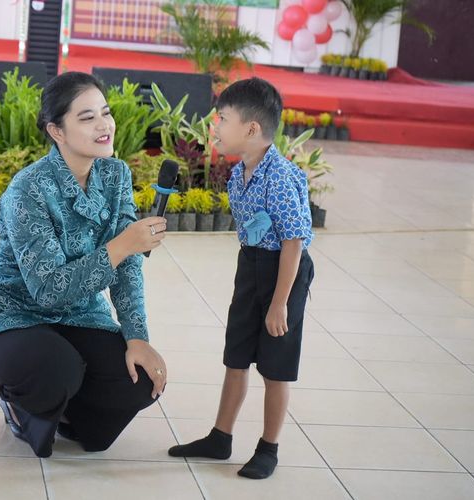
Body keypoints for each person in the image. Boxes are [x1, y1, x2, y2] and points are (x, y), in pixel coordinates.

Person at [0, 72, 168, 458]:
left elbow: (128, 267)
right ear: (57, 131)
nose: (104, 125)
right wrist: (120, 246)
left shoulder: (115, 174)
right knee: (57, 368)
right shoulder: (28, 188)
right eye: (87, 118)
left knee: (139, 380)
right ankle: (19, 404)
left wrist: (137, 336)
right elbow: (48, 290)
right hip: (8, 317)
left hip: (80, 317)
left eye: (105, 113)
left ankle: (64, 411)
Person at [168, 77, 314, 480]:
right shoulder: (239, 173)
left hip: (284, 272)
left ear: (251, 129)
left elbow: (293, 243)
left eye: (223, 118)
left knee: (275, 365)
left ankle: (269, 447)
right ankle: (220, 437)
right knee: (236, 355)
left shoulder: (279, 176)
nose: (214, 126)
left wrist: (279, 302)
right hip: (252, 264)